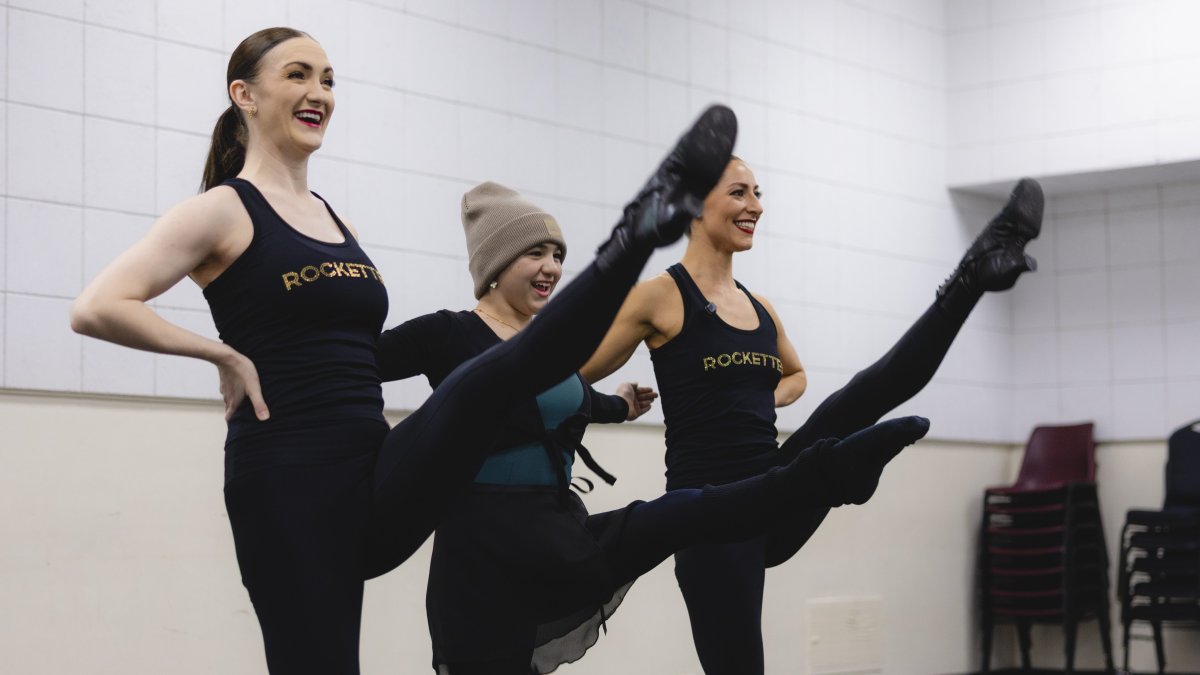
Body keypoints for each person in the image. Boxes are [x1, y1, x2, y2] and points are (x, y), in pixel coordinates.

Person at [66, 25, 741, 673]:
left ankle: (642, 227)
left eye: (328, 79)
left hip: (372, 464)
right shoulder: (222, 209)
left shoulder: (337, 220)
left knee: (488, 379)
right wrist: (224, 355)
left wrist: (608, 403)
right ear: (244, 94)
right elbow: (98, 305)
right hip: (289, 482)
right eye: (297, 75)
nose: (320, 92)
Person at [376, 182, 932, 674]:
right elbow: (354, 363)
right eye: (534, 254)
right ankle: (827, 472)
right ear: (494, 265)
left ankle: (831, 471)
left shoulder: (552, 352)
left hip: (555, 535)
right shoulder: (447, 335)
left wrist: (618, 406)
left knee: (688, 510)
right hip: (481, 552)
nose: (550, 267)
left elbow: (566, 405)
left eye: (556, 255)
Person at [581, 157, 1045, 674]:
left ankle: (973, 275)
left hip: (775, 488)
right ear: (696, 206)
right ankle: (841, 469)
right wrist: (617, 406)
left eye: (757, 193)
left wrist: (763, 397)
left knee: (859, 399)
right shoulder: (658, 297)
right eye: (739, 193)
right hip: (710, 521)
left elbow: (795, 375)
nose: (755, 206)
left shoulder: (760, 309)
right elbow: (571, 379)